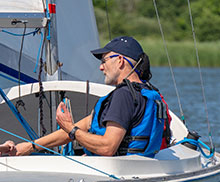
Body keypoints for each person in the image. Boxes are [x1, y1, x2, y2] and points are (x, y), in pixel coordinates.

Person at [15, 36, 168, 157]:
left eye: (104, 61)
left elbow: (108, 147)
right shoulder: (143, 91)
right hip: (138, 166)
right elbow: (82, 126)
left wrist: (71, 129)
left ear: (120, 61)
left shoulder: (124, 95)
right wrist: (30, 146)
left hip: (117, 172)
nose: (101, 67)